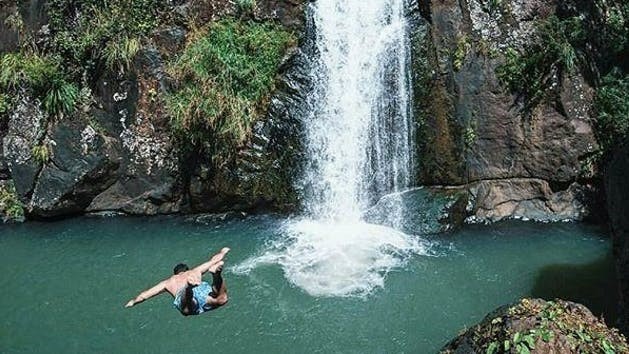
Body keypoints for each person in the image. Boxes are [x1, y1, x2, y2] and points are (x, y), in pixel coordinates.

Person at [125, 247, 230, 316]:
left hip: (183, 294)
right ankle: (216, 275)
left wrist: (133, 302)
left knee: (187, 308)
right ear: (187, 270)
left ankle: (188, 288)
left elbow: (145, 295)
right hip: (201, 289)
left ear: (175, 273)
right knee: (221, 299)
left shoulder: (168, 282)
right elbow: (214, 260)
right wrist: (223, 252)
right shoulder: (194, 271)